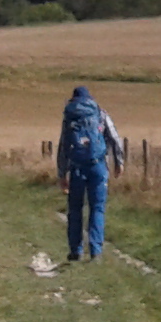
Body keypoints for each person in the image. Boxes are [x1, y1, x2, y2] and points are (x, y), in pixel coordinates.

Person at [57, 85, 123, 261]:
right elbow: (115, 138)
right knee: (97, 208)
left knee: (75, 209)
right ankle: (96, 251)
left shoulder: (69, 115)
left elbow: (63, 146)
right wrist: (119, 162)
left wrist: (62, 174)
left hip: (77, 166)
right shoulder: (99, 112)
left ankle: (75, 251)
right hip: (98, 166)